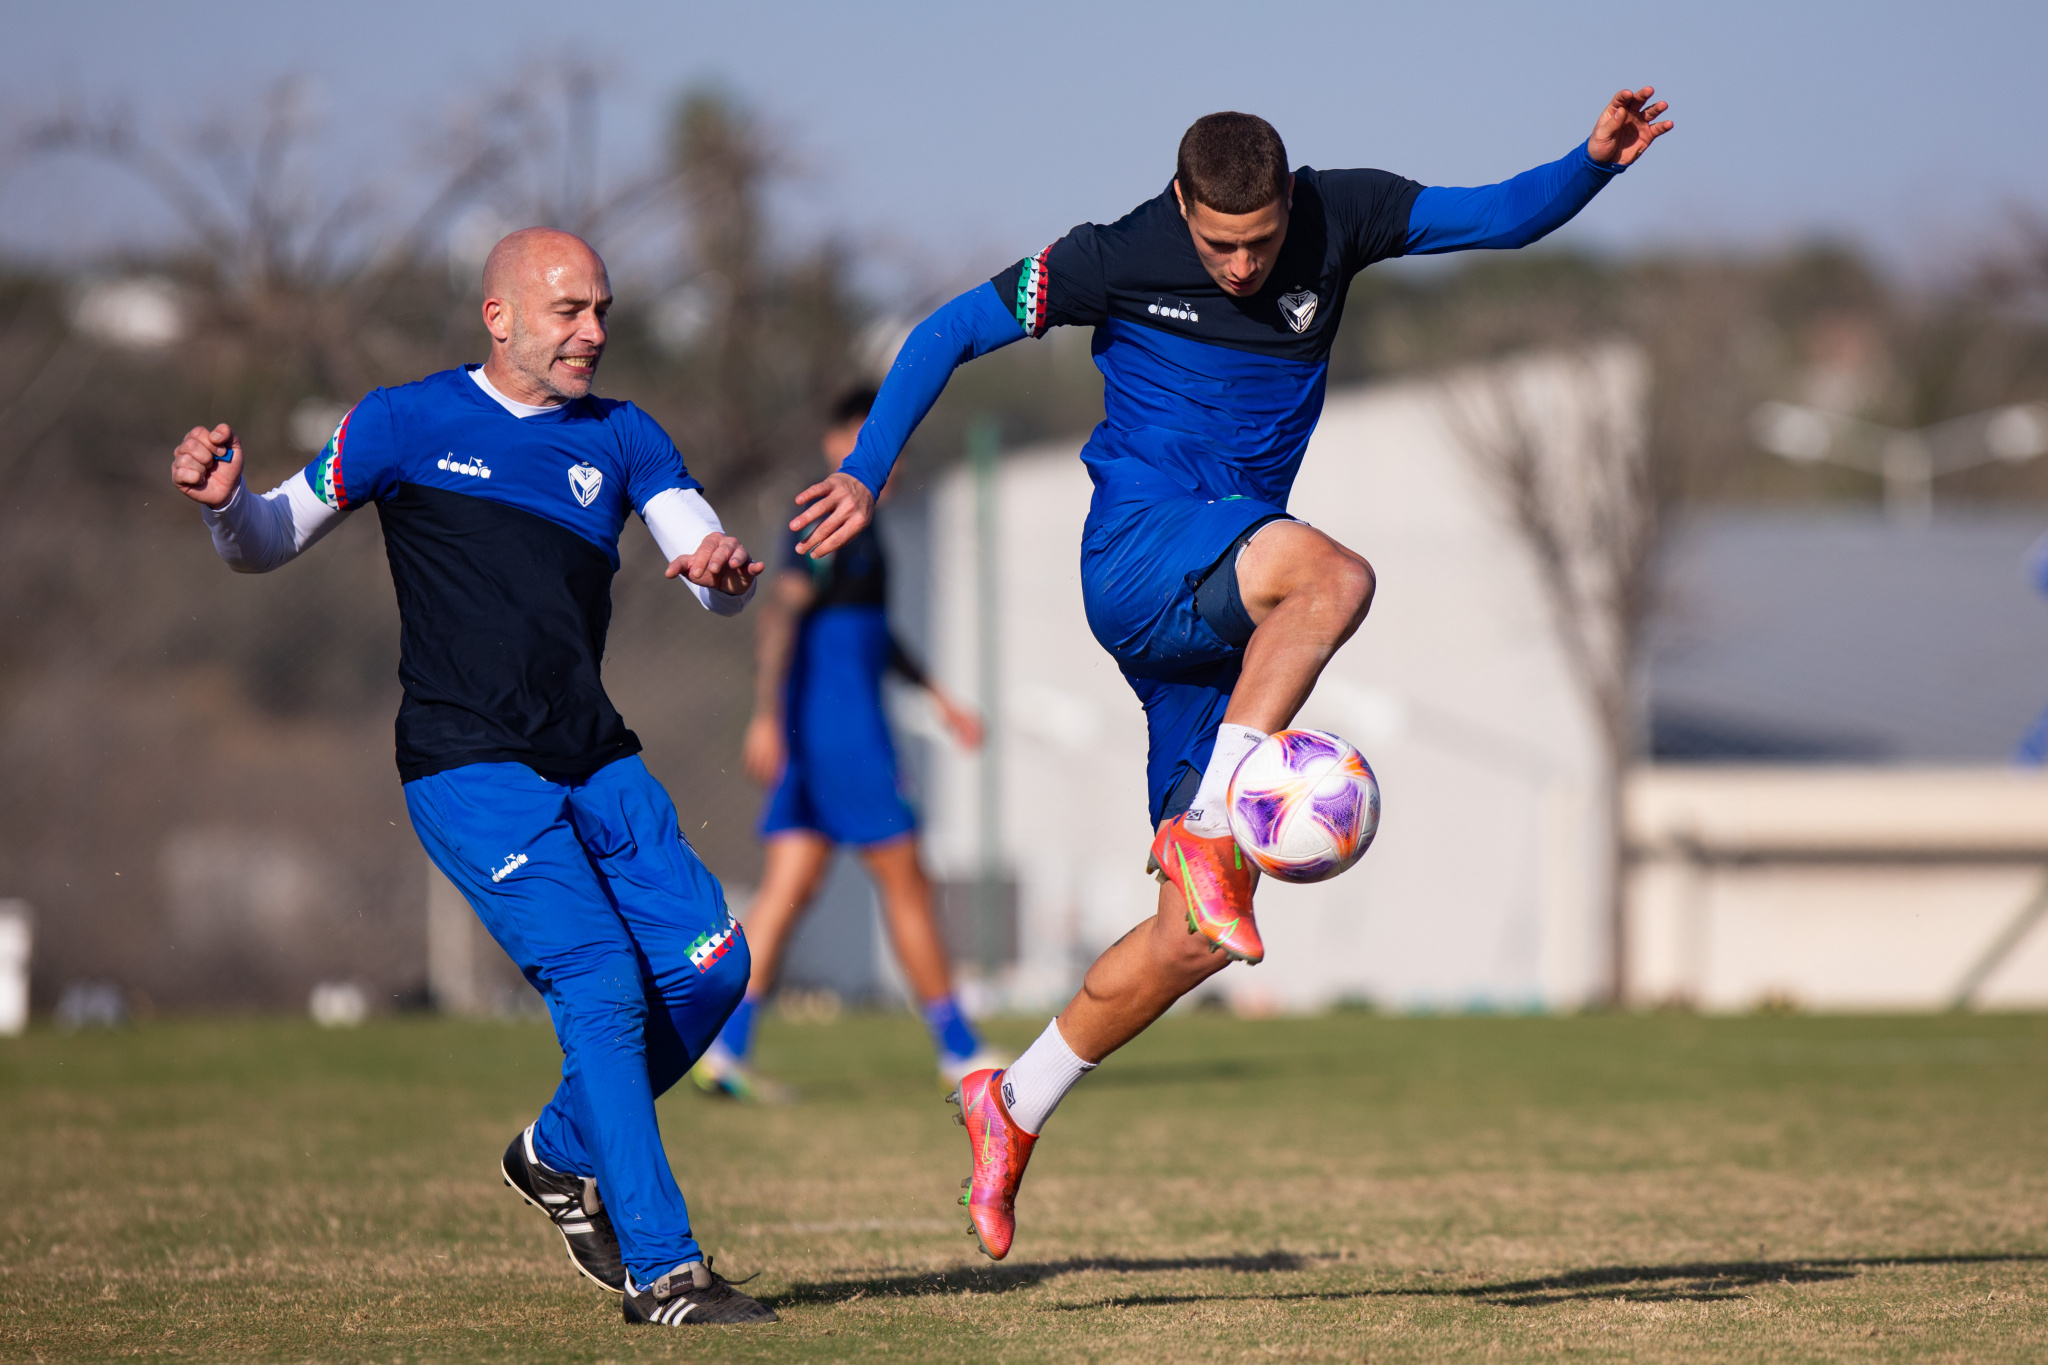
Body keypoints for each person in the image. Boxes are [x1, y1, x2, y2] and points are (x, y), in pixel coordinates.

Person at [788, 90, 1676, 1260]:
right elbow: (949, 327)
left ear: (1288, 201)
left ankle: (1011, 1103)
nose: (1245, 263)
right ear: (1179, 208)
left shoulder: (1339, 217)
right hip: (1142, 555)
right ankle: (1211, 823)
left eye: (1260, 241)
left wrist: (1590, 164)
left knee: (1193, 938)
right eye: (1220, 244)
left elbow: (1496, 220)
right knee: (1335, 581)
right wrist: (869, 470)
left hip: (1218, 625)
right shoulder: (1112, 255)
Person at [169, 228, 779, 1328]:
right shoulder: (398, 423)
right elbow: (265, 540)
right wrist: (223, 503)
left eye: (602, 310)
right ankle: (665, 1273)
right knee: (596, 981)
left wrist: (720, 573)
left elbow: (704, 563)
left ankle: (554, 1150)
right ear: (498, 318)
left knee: (711, 969)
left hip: (595, 757)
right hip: (467, 765)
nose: (593, 332)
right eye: (568, 311)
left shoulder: (625, 436)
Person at [691, 387, 1005, 1101]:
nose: (884, 457)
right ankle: (959, 1049)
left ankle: (727, 1048)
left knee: (787, 889)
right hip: (843, 735)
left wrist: (941, 699)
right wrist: (766, 715)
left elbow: (873, 631)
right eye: (872, 438)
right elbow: (781, 614)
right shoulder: (830, 517)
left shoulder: (862, 529)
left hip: (818, 734)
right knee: (906, 881)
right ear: (841, 442)